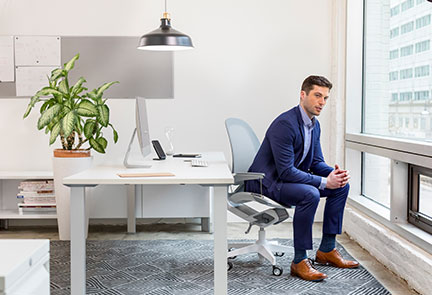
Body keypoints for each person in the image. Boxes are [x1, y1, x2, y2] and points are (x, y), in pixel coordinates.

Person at [245, 75, 358, 282]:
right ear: (302, 95)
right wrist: (324, 182)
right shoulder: (285, 124)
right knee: (310, 193)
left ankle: (327, 249)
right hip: (265, 182)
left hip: (285, 180)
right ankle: (299, 261)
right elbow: (286, 171)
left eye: (325, 98)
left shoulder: (315, 125)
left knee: (341, 187)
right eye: (317, 96)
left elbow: (316, 162)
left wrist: (334, 175)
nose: (322, 102)